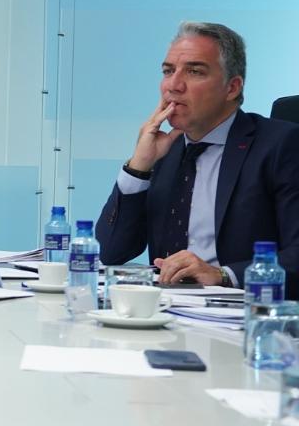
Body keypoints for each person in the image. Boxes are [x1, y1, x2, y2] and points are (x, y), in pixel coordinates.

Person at [95, 21, 299, 294]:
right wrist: (138, 167)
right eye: (168, 71)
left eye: (194, 71)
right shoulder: (164, 150)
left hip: (242, 310)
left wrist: (222, 275)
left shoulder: (281, 144)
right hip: (167, 306)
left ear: (232, 87)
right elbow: (111, 252)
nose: (174, 85)